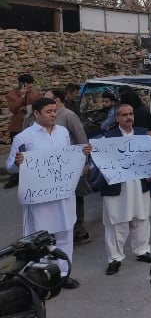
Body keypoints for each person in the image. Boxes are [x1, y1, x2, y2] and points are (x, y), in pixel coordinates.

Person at [5, 97, 92, 289]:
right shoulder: (24, 137)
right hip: (40, 197)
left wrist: (81, 153)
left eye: (55, 111)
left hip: (63, 194)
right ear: (36, 114)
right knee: (40, 237)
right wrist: (18, 163)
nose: (53, 114)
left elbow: (67, 156)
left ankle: (62, 274)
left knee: (65, 234)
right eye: (48, 112)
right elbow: (10, 166)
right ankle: (41, 277)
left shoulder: (62, 132)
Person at [100, 104, 151, 275]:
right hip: (117, 187)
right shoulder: (108, 138)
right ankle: (115, 259)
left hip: (139, 184)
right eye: (124, 114)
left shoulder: (144, 135)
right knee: (116, 223)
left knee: (141, 219)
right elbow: (100, 162)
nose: (128, 117)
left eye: (131, 114)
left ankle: (142, 251)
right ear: (117, 118)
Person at [45, 89, 93, 246]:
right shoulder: (49, 119)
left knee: (76, 198)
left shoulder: (68, 116)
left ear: (57, 101)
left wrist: (84, 161)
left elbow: (81, 138)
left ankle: (80, 231)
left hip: (72, 166)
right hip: (56, 168)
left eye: (48, 99)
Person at [5, 74, 42, 189]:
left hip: (31, 125)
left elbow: (38, 107)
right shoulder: (12, 94)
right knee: (16, 152)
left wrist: (26, 107)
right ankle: (15, 177)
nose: (28, 86)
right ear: (21, 83)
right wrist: (21, 97)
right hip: (17, 126)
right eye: (26, 84)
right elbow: (13, 109)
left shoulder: (36, 93)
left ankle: (33, 175)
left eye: (30, 84)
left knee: (32, 150)